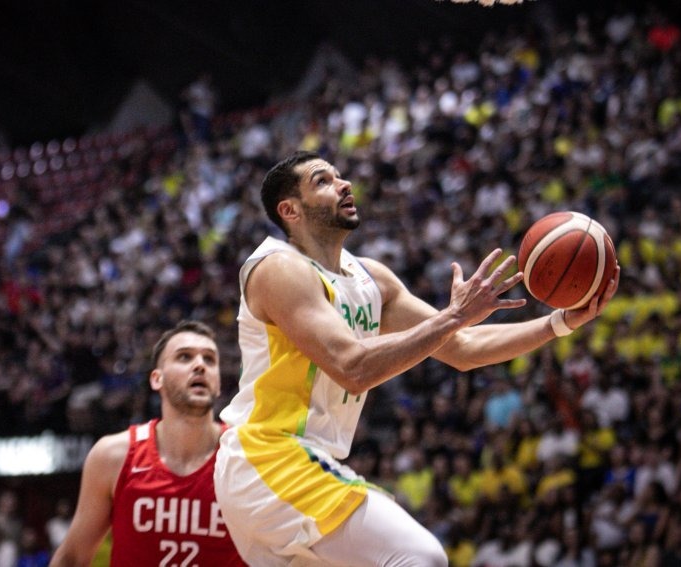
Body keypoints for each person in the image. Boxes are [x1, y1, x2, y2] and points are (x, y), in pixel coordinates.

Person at [213, 150, 619, 566]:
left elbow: (463, 348)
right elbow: (353, 367)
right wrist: (454, 315)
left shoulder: (372, 278)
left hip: (294, 469)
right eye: (322, 181)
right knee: (420, 556)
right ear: (290, 210)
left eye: (339, 176)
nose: (344, 184)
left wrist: (561, 323)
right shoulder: (280, 268)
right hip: (269, 457)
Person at [49, 320, 245, 566]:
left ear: (217, 383)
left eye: (209, 359)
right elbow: (72, 558)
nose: (200, 365)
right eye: (184, 357)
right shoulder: (113, 456)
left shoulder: (247, 456)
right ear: (156, 379)